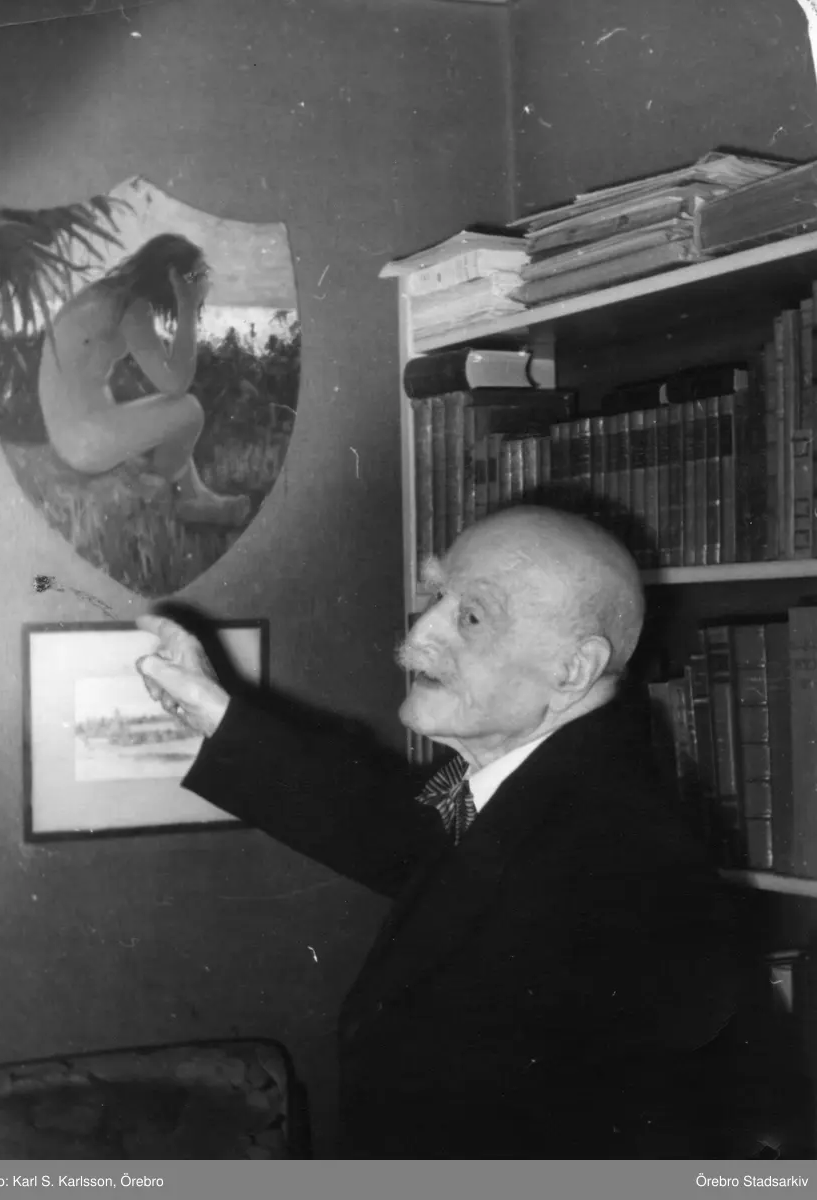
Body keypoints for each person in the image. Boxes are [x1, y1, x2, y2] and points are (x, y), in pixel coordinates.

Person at [136, 505, 748, 1159]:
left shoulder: (627, 865)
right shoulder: (539, 786)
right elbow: (391, 826)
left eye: (471, 617)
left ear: (572, 670)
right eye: (436, 597)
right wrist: (216, 712)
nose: (421, 632)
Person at [37, 233, 250, 527]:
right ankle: (173, 491)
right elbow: (176, 384)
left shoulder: (111, 294)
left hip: (74, 431)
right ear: (174, 277)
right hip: (82, 440)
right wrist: (187, 308)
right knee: (188, 409)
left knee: (169, 413)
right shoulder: (131, 307)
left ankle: (195, 494)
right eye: (195, 276)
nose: (203, 284)